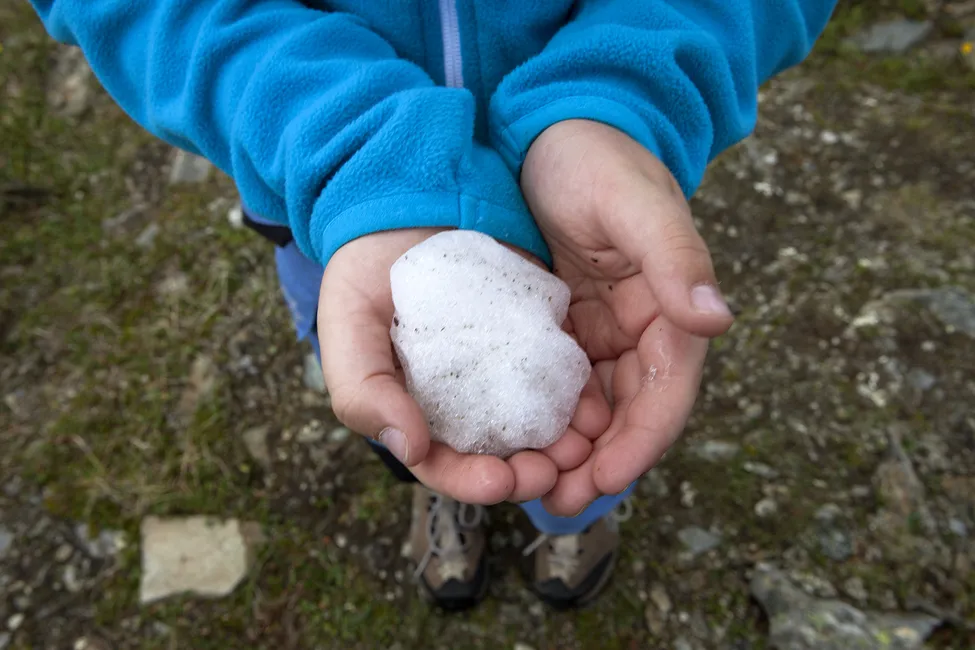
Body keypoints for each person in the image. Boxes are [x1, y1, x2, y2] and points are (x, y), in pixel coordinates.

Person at [29, 0, 838, 610]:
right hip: (338, 204)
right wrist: (346, 139)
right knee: (382, 381)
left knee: (600, 419)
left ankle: (575, 517)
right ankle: (448, 488)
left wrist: (621, 94)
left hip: (586, 216)